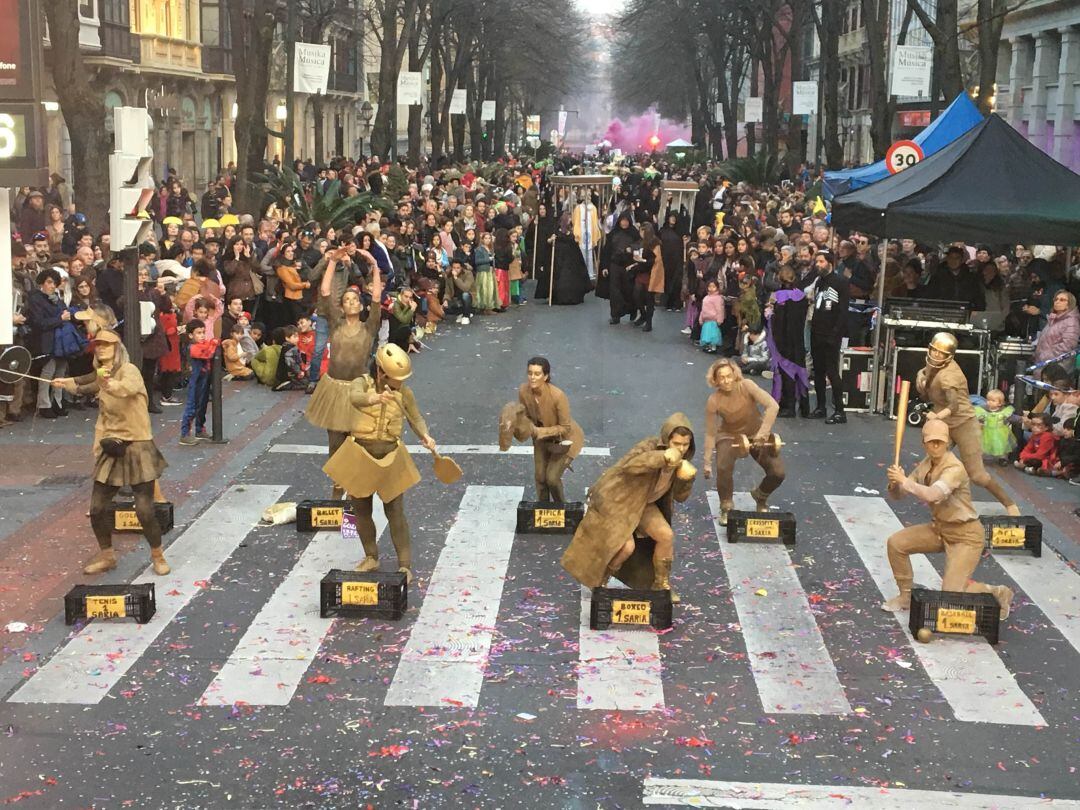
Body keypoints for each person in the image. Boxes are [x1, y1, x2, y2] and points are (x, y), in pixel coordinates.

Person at [51, 329, 171, 576]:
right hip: (111, 445)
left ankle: (158, 555)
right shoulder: (101, 374)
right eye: (99, 346)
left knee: (144, 510)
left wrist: (108, 382)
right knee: (97, 508)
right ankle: (107, 555)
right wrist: (65, 383)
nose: (102, 349)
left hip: (137, 445)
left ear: (118, 349)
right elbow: (86, 383)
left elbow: (124, 388)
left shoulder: (130, 371)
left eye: (107, 345)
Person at [323, 344, 437, 584]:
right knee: (361, 509)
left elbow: (415, 417)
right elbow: (354, 398)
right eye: (395, 378)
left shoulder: (404, 393)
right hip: (360, 451)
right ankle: (371, 555)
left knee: (395, 511)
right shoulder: (361, 383)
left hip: (390, 452)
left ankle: (404, 565)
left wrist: (425, 436)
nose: (399, 382)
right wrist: (374, 397)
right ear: (381, 372)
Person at [882, 419, 1014, 619]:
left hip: (966, 536)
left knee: (951, 598)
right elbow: (899, 495)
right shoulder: (926, 464)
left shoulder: (954, 468)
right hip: (940, 529)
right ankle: (906, 596)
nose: (936, 446)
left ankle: (997, 593)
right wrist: (895, 484)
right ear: (924, 443)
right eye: (931, 442)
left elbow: (933, 495)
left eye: (940, 442)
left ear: (947, 442)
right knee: (896, 543)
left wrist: (904, 482)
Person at [561, 414, 696, 601]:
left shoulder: (683, 463)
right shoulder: (650, 447)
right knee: (626, 548)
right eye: (676, 444)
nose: (681, 449)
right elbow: (630, 465)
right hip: (620, 502)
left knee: (666, 536)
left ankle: (661, 585)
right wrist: (662, 457)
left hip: (644, 505)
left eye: (685, 445)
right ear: (667, 441)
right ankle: (601, 580)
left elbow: (681, 497)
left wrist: (686, 480)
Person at [305, 249, 384, 498]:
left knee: (359, 442)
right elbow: (326, 291)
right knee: (336, 444)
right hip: (336, 389)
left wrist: (373, 264)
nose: (350, 303)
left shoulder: (369, 327)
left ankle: (357, 491)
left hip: (358, 388)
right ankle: (337, 491)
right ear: (341, 307)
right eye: (347, 300)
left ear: (361, 306)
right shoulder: (336, 324)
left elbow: (377, 298)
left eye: (354, 300)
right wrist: (332, 261)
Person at [917, 332, 1020, 514]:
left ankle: (1009, 503)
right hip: (944, 422)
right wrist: (921, 376)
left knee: (977, 475)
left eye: (941, 354)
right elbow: (927, 378)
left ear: (949, 356)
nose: (936, 356)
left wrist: (937, 417)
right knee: (932, 463)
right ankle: (942, 504)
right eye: (934, 351)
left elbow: (954, 405)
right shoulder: (933, 364)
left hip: (963, 422)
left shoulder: (950, 376)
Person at [702, 358, 784, 523]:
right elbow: (711, 433)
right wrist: (707, 462)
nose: (726, 381)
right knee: (723, 466)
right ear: (715, 380)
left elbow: (772, 406)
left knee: (778, 472)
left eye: (729, 376)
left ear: (735, 374)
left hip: (756, 433)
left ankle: (760, 496)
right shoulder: (713, 401)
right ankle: (726, 506)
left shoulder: (747, 385)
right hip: (729, 435)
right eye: (721, 377)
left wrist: (762, 434)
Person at [514, 357, 585, 503]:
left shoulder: (558, 396)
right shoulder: (523, 391)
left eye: (537, 374)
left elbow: (565, 428)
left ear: (545, 376)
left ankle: (561, 510)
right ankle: (543, 511)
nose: (532, 377)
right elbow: (525, 416)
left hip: (564, 441)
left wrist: (541, 432)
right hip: (541, 440)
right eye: (530, 373)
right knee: (540, 478)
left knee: (552, 479)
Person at [808, 250, 849, 424]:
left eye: (821, 261)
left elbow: (842, 311)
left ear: (829, 263)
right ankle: (821, 406)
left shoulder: (840, 282)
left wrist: (835, 334)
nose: (818, 264)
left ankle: (840, 410)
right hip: (816, 331)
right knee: (818, 371)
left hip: (831, 334)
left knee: (832, 371)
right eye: (817, 261)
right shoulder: (819, 282)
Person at [768, 266, 811, 418]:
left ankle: (788, 406)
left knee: (786, 373)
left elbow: (778, 321)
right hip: (798, 338)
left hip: (783, 341)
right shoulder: (801, 296)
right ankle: (805, 407)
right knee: (800, 372)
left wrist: (770, 315)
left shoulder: (779, 297)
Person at [179, 319, 219, 446]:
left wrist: (212, 343)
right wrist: (213, 344)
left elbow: (208, 346)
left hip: (203, 380)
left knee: (202, 405)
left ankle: (199, 429)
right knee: (192, 406)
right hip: (195, 381)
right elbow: (207, 353)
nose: (202, 335)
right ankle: (185, 434)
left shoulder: (201, 344)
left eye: (203, 332)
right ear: (191, 335)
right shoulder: (192, 348)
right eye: (198, 333)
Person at [1033, 291, 1079, 363]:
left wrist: (1045, 357)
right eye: (1056, 299)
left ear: (1069, 304)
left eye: (1062, 300)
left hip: (1057, 368)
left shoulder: (1071, 321)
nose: (1057, 302)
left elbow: (1067, 346)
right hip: (1043, 365)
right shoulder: (1053, 320)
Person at [975, 389, 1016, 464]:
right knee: (983, 444)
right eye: (988, 400)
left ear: (1000, 403)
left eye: (993, 400)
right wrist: (979, 422)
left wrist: (1021, 419)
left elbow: (1012, 418)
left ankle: (1003, 458)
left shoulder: (1004, 412)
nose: (989, 402)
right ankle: (979, 457)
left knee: (1002, 445)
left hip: (1000, 432)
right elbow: (979, 418)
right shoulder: (984, 411)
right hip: (987, 431)